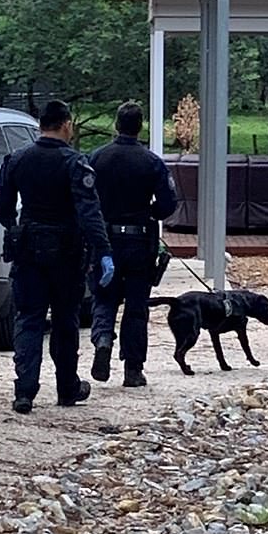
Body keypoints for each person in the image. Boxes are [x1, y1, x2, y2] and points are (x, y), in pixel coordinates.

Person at [0, 100, 114, 413]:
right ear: (66, 125)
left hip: (29, 248)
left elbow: (2, 207)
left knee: (29, 319)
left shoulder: (17, 159)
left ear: (39, 126)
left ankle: (24, 392)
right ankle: (66, 387)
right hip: (66, 251)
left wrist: (15, 229)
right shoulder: (75, 163)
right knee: (64, 320)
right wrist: (103, 251)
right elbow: (90, 212)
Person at [89, 101, 177, 387]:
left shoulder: (96, 158)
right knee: (137, 306)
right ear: (140, 127)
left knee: (104, 297)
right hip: (140, 240)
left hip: (105, 239)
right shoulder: (151, 162)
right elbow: (167, 204)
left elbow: (84, 197)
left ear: (116, 124)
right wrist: (149, 212)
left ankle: (103, 338)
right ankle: (133, 369)